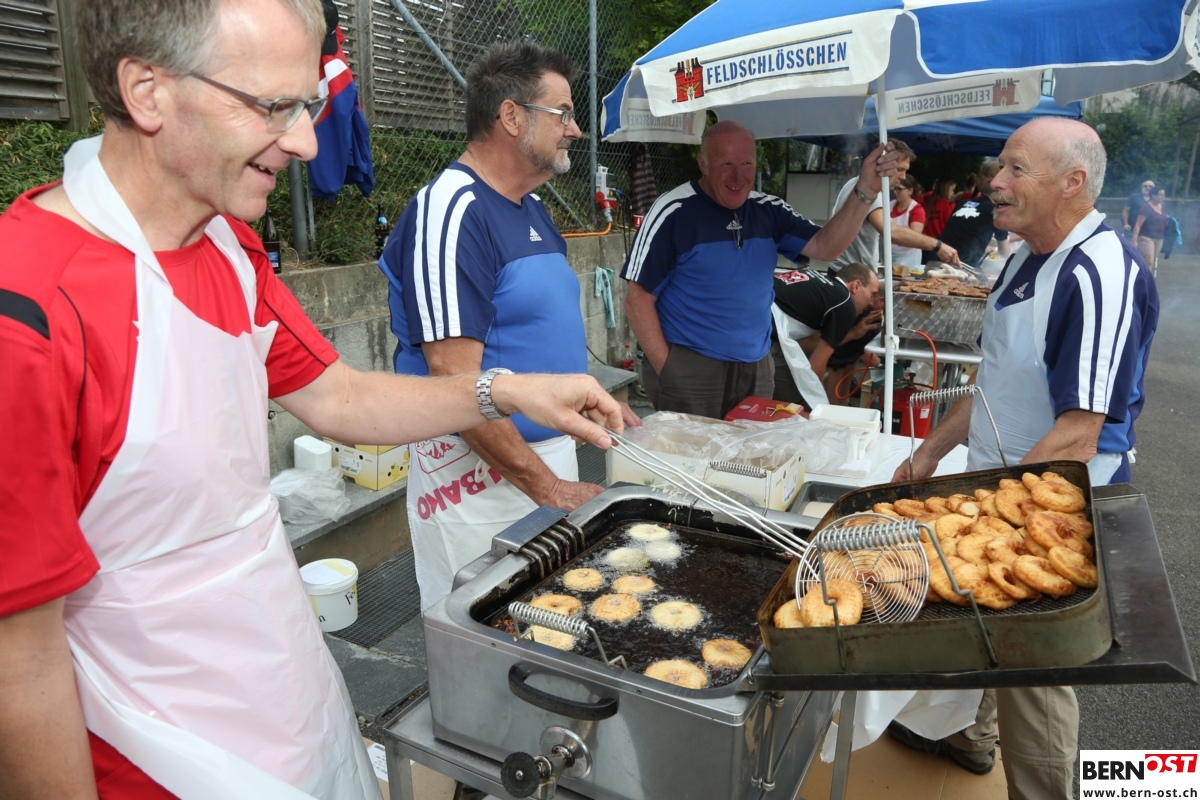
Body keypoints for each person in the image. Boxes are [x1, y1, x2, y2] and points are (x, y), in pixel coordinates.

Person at [0, 2, 625, 798]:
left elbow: (341, 398)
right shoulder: (26, 315)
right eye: (272, 106)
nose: (303, 142)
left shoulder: (229, 249)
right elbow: (19, 664)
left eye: (306, 106)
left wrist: (505, 388)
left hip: (283, 690)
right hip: (147, 756)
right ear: (146, 90)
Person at [887, 118, 1159, 800]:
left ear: (1072, 182)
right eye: (1000, 167)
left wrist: (992, 513)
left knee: (1037, 665)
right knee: (992, 620)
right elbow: (995, 380)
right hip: (1006, 480)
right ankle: (973, 735)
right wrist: (930, 453)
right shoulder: (1021, 259)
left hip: (1057, 501)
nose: (995, 183)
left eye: (1015, 169)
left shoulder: (1099, 272)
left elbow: (1081, 431)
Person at [379, 41, 639, 612]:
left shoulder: (532, 207)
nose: (574, 130)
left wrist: (591, 406)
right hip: (476, 481)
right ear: (512, 116)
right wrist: (547, 488)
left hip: (545, 464)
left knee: (553, 621)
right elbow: (453, 380)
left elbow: (535, 332)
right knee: (483, 628)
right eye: (562, 113)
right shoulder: (451, 210)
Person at [620, 120, 904, 419]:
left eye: (746, 164)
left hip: (756, 367)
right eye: (726, 164)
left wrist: (865, 191)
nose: (738, 176)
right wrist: (670, 368)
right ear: (703, 163)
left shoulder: (769, 210)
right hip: (693, 367)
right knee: (691, 450)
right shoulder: (674, 212)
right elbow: (636, 301)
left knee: (751, 449)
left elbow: (826, 247)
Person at [828, 139, 960, 272]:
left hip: (845, 270)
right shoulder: (869, 191)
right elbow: (891, 231)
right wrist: (937, 245)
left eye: (905, 171)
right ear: (882, 164)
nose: (903, 177)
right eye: (900, 169)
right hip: (850, 275)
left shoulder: (855, 183)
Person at [771, 262, 882, 408]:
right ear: (856, 286)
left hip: (751, 320)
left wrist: (852, 334)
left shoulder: (822, 282)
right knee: (807, 406)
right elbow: (816, 366)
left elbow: (806, 343)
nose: (871, 303)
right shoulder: (845, 304)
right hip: (760, 335)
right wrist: (820, 402)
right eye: (872, 294)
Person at [936, 161, 1012, 270]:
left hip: (935, 259)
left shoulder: (963, 203)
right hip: (957, 267)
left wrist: (987, 247)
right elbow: (1004, 252)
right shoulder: (996, 211)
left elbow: (962, 236)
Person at [889, 174, 927, 272]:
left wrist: (897, 233)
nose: (895, 192)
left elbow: (914, 237)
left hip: (908, 258)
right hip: (888, 255)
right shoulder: (889, 205)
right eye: (895, 188)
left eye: (899, 189)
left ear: (910, 191)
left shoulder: (917, 210)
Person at [1132, 185, 1168, 275]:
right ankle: (1144, 280)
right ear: (1153, 196)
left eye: (1163, 195)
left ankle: (1148, 279)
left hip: (1159, 238)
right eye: (1160, 195)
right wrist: (1134, 240)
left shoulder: (1163, 206)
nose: (1163, 197)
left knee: (1154, 260)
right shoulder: (1146, 208)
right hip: (1146, 238)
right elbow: (1138, 225)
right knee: (1148, 261)